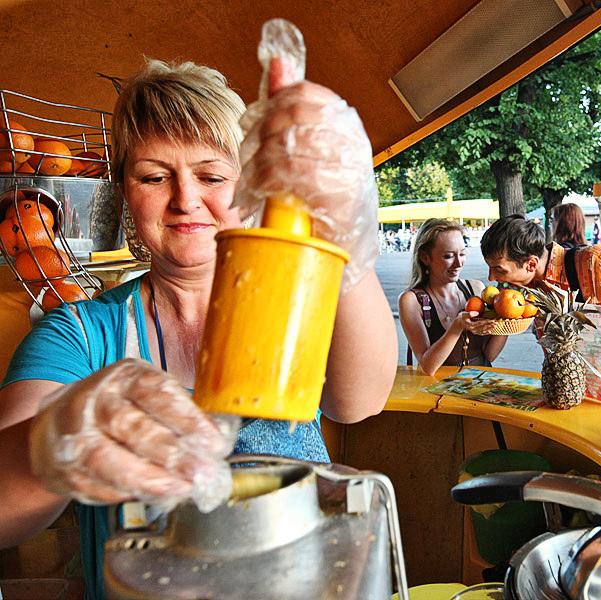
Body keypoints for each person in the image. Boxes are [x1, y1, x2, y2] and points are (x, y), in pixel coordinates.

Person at [0, 58, 397, 598]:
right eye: (154, 176)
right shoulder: (80, 335)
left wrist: (341, 228)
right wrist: (49, 442)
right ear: (124, 189)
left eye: (211, 175)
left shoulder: (292, 305)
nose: (186, 199)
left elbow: (360, 400)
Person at [399, 218, 506, 376]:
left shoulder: (476, 289)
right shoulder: (412, 300)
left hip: (481, 385)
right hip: (439, 392)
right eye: (448, 256)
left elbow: (488, 355)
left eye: (462, 254)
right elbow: (428, 367)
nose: (459, 263)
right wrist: (457, 327)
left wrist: (507, 318)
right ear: (425, 257)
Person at [481, 214, 601, 305]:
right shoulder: (529, 290)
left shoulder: (595, 262)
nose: (491, 278)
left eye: (499, 269)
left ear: (531, 264)